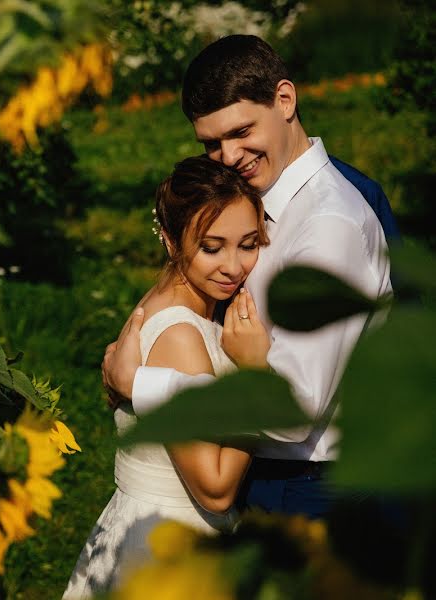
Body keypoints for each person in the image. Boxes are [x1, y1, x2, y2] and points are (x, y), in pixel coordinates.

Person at [102, 35, 393, 519]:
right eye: (212, 144)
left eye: (241, 132)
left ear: (285, 99)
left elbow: (293, 413)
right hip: (259, 474)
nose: (229, 155)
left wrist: (143, 384)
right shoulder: (257, 201)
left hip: (311, 487)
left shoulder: (328, 226)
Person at [63, 155, 271, 598]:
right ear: (171, 241)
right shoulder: (181, 334)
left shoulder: (169, 298)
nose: (234, 267)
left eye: (248, 244)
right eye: (212, 248)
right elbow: (214, 489)